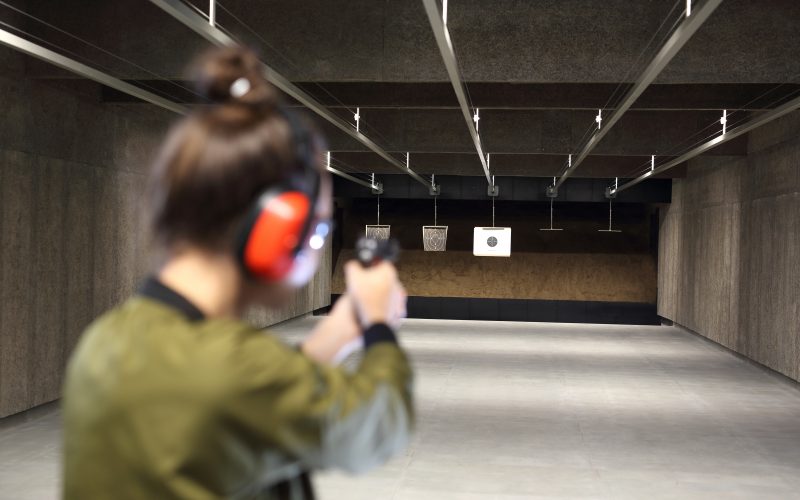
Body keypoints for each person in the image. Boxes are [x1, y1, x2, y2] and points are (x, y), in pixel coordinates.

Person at [62, 47, 413, 500]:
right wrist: (380, 326)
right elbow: (376, 428)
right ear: (275, 226)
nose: (313, 246)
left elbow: (240, 406)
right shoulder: (229, 372)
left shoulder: (109, 341)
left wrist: (337, 335)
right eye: (316, 228)